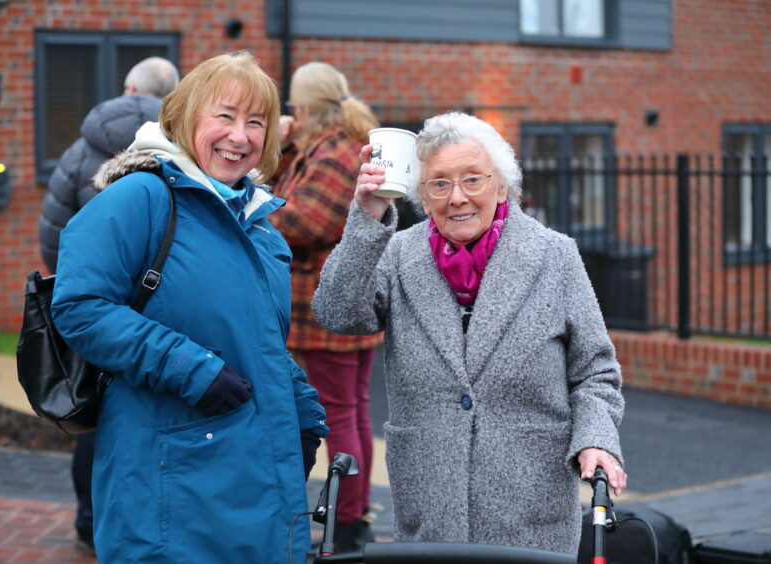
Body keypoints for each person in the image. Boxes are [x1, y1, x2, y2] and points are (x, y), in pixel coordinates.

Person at [50, 50, 327, 563]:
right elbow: (80, 306)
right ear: (185, 118)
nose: (239, 136)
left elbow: (259, 336)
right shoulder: (139, 198)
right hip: (168, 484)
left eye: (256, 122)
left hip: (255, 478)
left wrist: (303, 409)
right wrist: (189, 368)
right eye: (223, 116)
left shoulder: (259, 227)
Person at [312, 111, 627, 555]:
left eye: (472, 180)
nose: (456, 197)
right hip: (430, 510)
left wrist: (596, 439)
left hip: (531, 515)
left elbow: (595, 371)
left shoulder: (555, 256)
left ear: (502, 185)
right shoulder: (400, 254)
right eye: (439, 183)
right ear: (422, 194)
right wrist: (368, 216)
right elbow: (338, 314)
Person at [36, 55, 179, 554]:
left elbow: (53, 226)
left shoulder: (81, 147)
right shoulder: (178, 147)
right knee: (154, 407)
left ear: (129, 85)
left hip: (95, 303)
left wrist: (80, 279)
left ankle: (87, 520)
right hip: (160, 299)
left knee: (94, 408)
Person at [269, 61, 383, 552]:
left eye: (294, 107)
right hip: (338, 302)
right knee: (352, 410)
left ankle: (349, 522)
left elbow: (306, 222)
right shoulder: (328, 145)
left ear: (309, 107)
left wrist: (256, 212)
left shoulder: (334, 152)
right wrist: (284, 141)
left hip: (330, 307)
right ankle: (353, 515)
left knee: (338, 413)